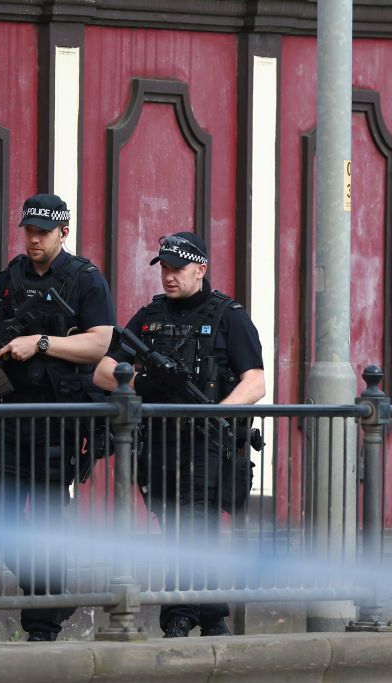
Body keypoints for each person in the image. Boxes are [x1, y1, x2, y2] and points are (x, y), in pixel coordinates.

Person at [93, 231, 265, 638]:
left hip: (206, 440)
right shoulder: (148, 317)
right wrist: (141, 381)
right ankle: (213, 617)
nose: (168, 277)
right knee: (172, 525)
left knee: (196, 525)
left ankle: (178, 615)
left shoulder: (229, 316)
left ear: (200, 270)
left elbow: (255, 382)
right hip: (159, 440)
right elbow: (104, 371)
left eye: (177, 269)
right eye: (164, 268)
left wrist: (220, 415)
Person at [0, 193, 115, 642]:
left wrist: (42, 342)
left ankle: (41, 629)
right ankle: (55, 598)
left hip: (59, 419)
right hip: (10, 417)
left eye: (43, 232)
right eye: (29, 230)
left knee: (49, 524)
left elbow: (101, 343)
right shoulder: (8, 280)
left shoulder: (86, 280)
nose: (34, 239)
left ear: (63, 233)